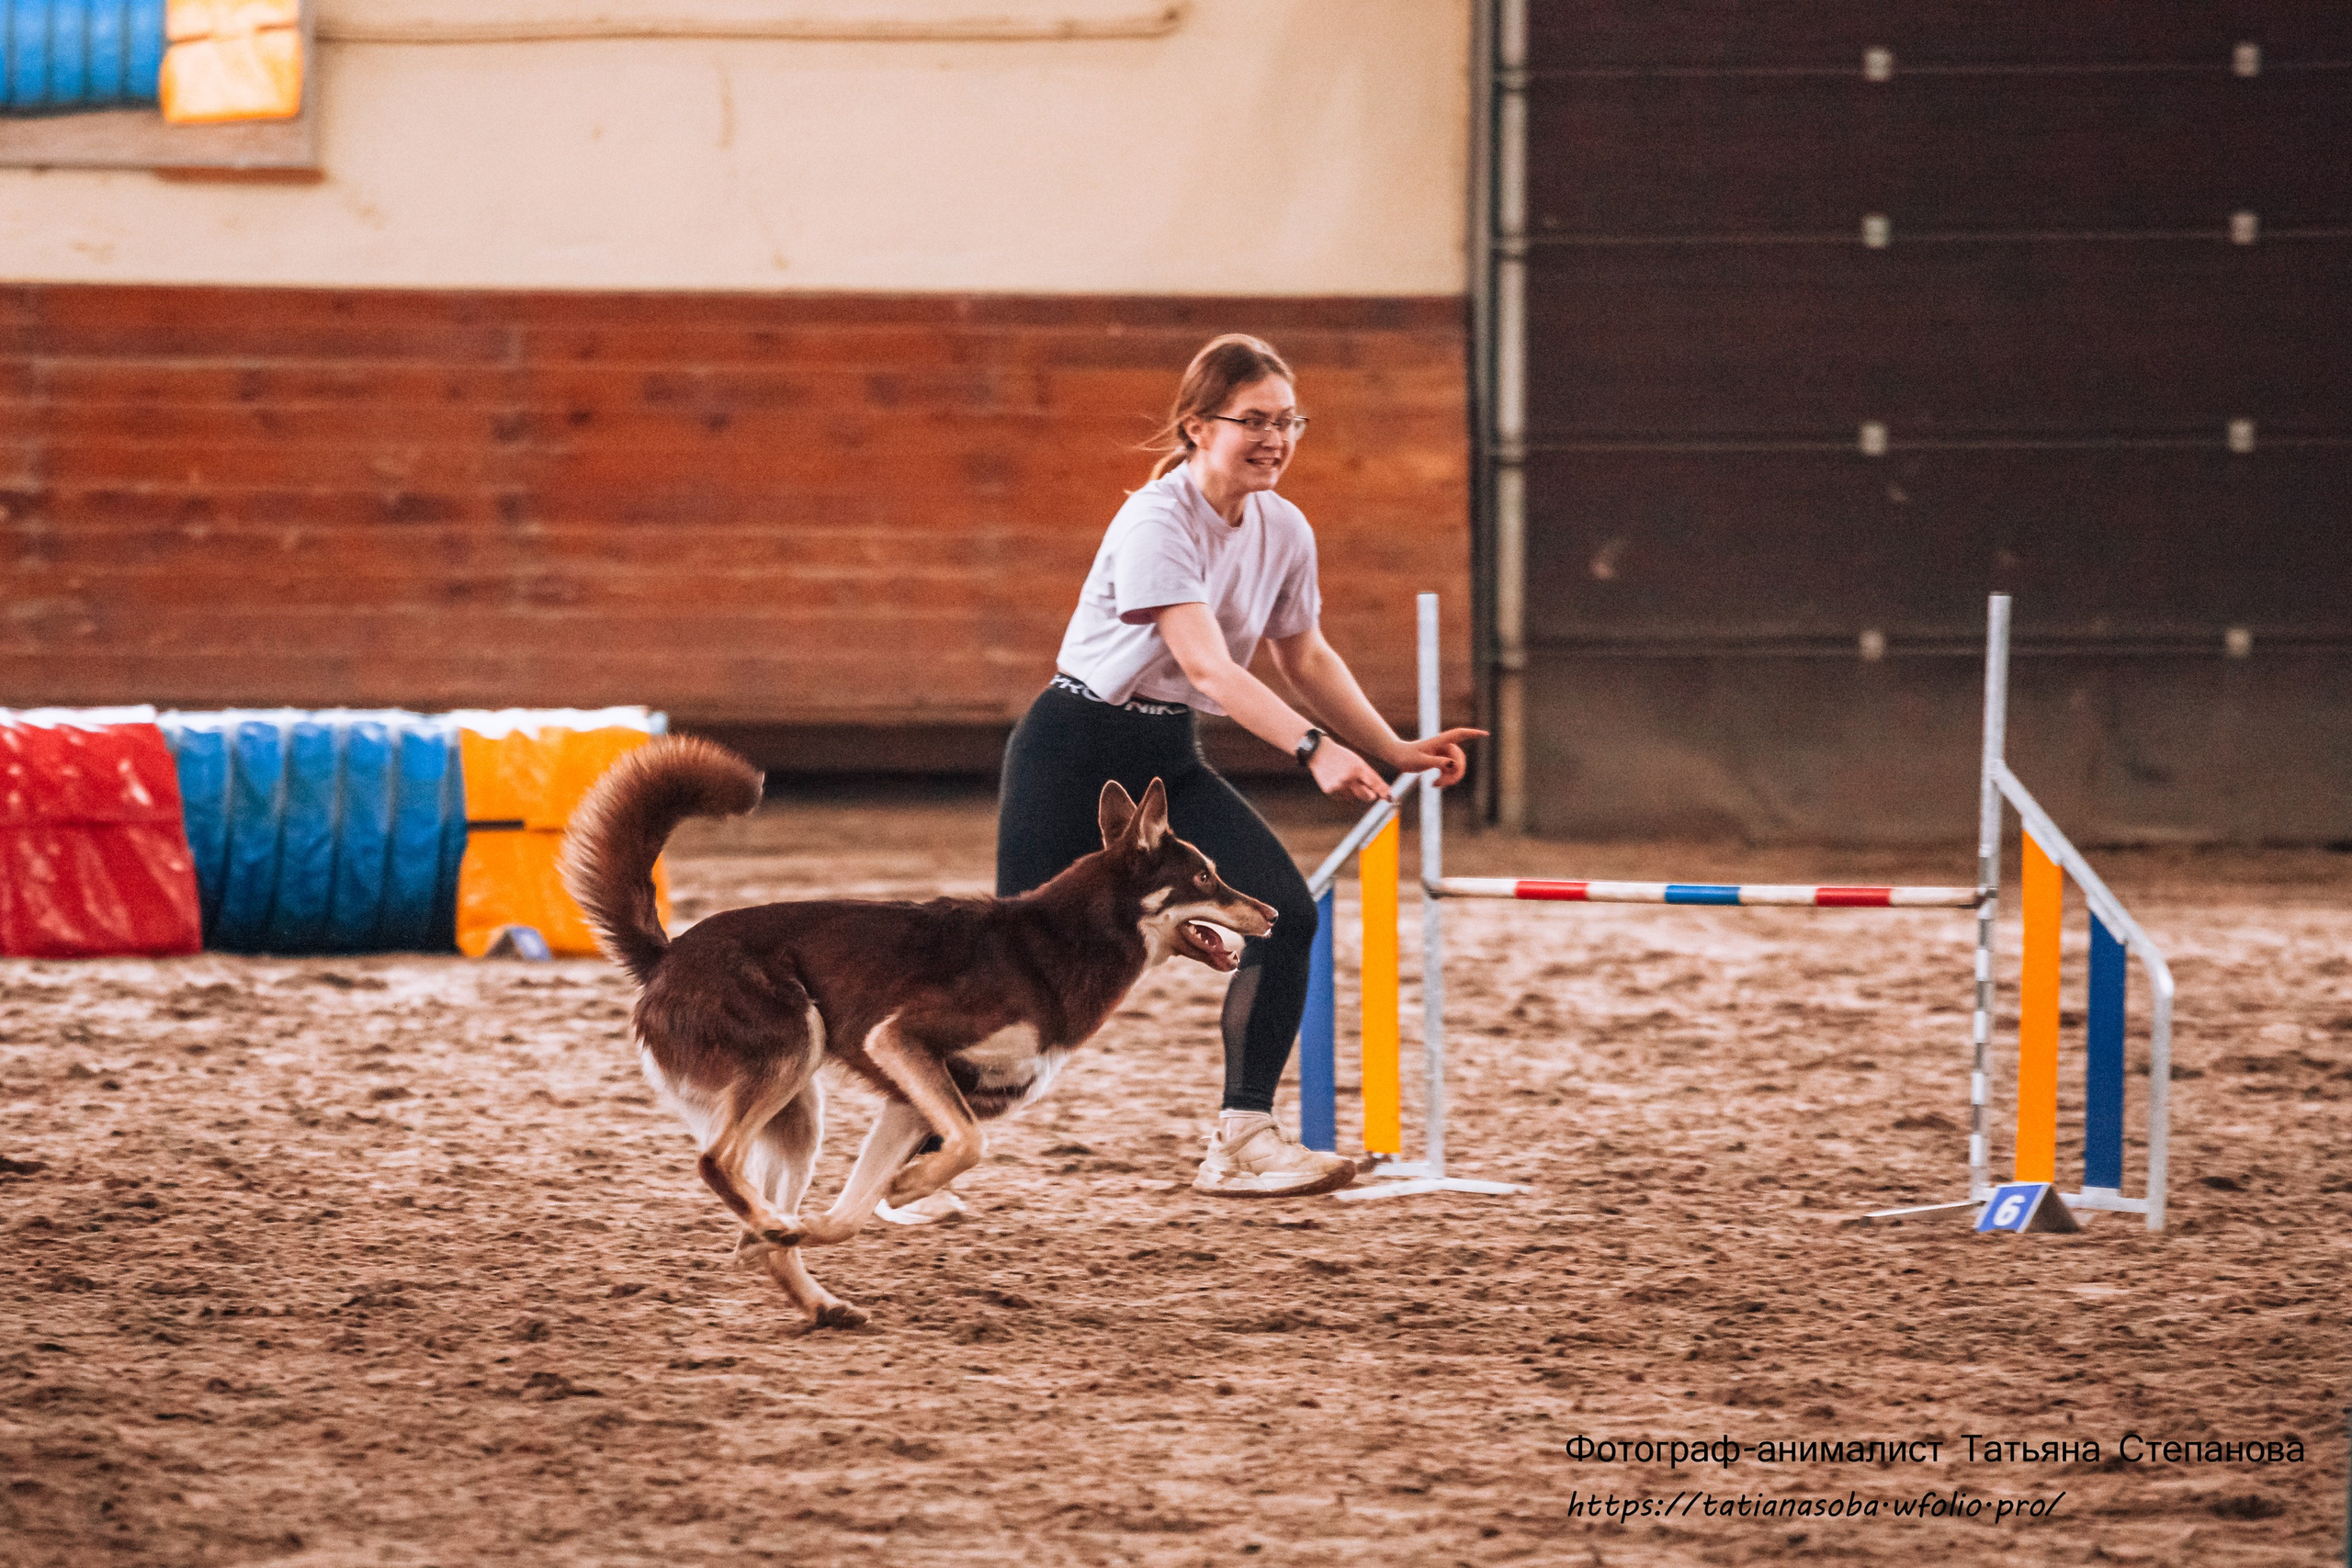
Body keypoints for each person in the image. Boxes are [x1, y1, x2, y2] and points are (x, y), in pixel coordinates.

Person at [995, 333, 1483, 1196]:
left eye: (1289, 421)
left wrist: (1389, 745)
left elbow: (1305, 654)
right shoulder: (1156, 518)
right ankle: (921, 1149)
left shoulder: (1283, 526)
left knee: (1284, 915)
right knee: (1010, 971)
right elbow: (1214, 666)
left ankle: (1243, 1138)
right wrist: (1312, 750)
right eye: (1253, 420)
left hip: (1163, 758)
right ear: (1195, 427)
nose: (1276, 438)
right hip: (1073, 749)